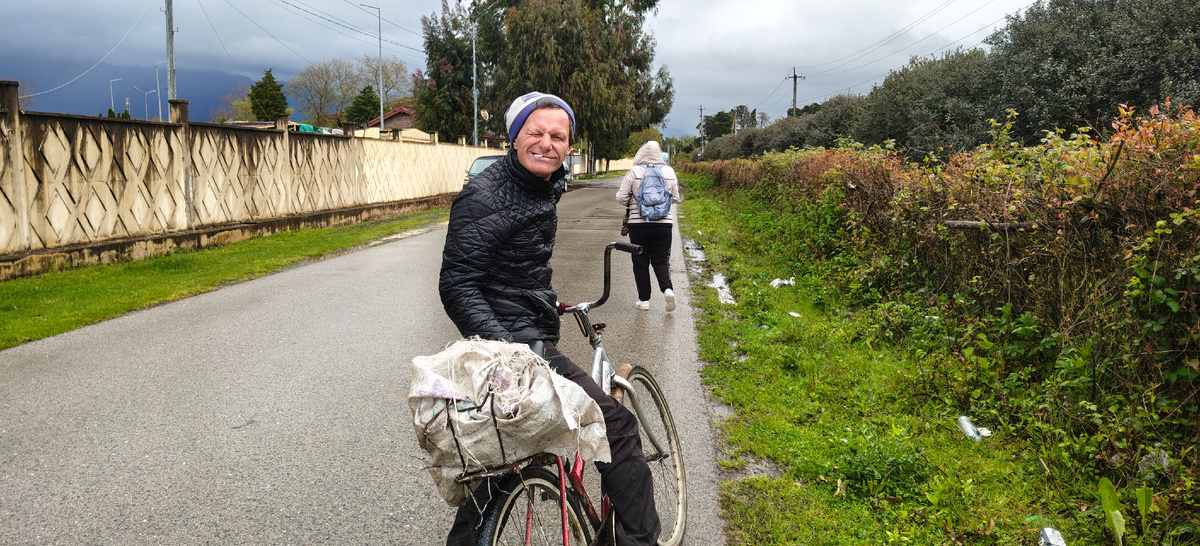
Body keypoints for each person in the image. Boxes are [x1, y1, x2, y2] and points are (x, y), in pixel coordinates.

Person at [438, 91, 661, 546]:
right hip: (514, 342)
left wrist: (543, 300)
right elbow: (458, 285)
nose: (546, 143)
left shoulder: (541, 183)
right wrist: (510, 350)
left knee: (504, 454)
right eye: (535, 132)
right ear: (513, 137)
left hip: (523, 326)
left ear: (569, 145)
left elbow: (515, 267)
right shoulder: (484, 195)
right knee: (617, 426)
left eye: (557, 136)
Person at [616, 141, 681, 312]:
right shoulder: (669, 171)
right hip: (664, 225)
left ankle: (644, 301)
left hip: (638, 225)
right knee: (661, 261)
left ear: (641, 153)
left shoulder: (635, 171)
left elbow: (621, 197)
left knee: (640, 262)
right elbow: (675, 197)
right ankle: (668, 290)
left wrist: (634, 201)